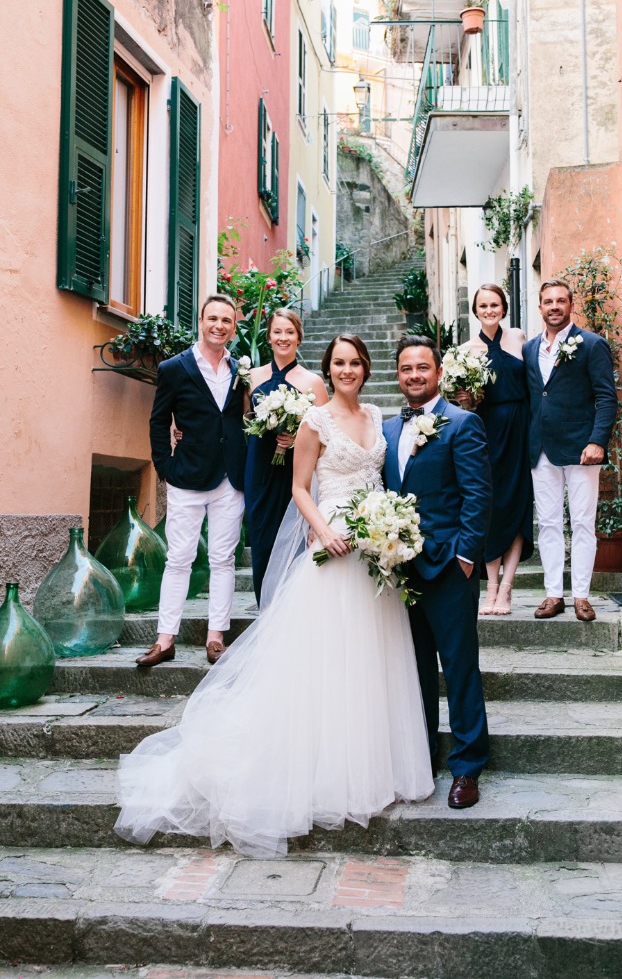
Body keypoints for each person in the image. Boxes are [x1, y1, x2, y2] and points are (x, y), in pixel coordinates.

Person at [115, 334, 434, 856]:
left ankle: (372, 768)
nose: (347, 370)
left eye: (355, 363)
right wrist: (323, 530)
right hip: (332, 543)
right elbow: (300, 488)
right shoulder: (316, 420)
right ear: (327, 370)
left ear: (367, 368)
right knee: (326, 661)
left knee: (371, 659)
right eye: (338, 363)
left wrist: (389, 527)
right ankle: (322, 775)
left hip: (376, 549)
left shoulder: (379, 417)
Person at [383, 336, 492, 810]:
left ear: (439, 372)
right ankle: (421, 756)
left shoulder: (463, 424)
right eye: (406, 368)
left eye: (422, 367)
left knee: (460, 668)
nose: (414, 375)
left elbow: (478, 495)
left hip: (449, 567)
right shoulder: (386, 430)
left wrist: (465, 558)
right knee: (416, 671)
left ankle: (467, 766)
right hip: (400, 572)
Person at [137, 294, 247, 668]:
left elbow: (238, 418)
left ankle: (216, 637)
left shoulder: (241, 369)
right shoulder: (174, 368)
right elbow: (157, 421)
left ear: (234, 327)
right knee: (179, 558)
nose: (219, 325)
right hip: (185, 476)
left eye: (226, 320)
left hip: (230, 478)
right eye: (213, 318)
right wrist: (165, 466)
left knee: (223, 559)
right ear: (201, 321)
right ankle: (164, 640)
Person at [522, 279, 617, 622]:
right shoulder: (529, 349)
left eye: (561, 300)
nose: (554, 307)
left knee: (582, 523)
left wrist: (597, 441)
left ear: (570, 305)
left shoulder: (591, 345)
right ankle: (553, 595)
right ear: (540, 307)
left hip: (581, 449)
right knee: (547, 523)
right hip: (541, 449)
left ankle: (581, 596)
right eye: (548, 301)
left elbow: (606, 397)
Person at [454, 284, 534, 615]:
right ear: (475, 311)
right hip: (486, 432)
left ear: (504, 307)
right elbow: (464, 401)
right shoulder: (466, 350)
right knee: (490, 508)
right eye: (483, 305)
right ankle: (490, 590)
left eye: (495, 304)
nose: (490, 310)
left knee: (516, 508)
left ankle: (507, 589)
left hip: (520, 429)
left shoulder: (518, 337)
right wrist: (465, 399)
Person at [243, 308, 328, 604]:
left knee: (293, 545)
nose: (283, 337)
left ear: (299, 338)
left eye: (289, 332)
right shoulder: (252, 377)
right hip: (259, 471)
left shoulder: (313, 382)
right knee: (263, 542)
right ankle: (264, 610)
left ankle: (290, 612)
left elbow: (326, 434)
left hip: (295, 472)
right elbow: (244, 421)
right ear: (268, 336)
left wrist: (297, 438)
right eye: (277, 331)